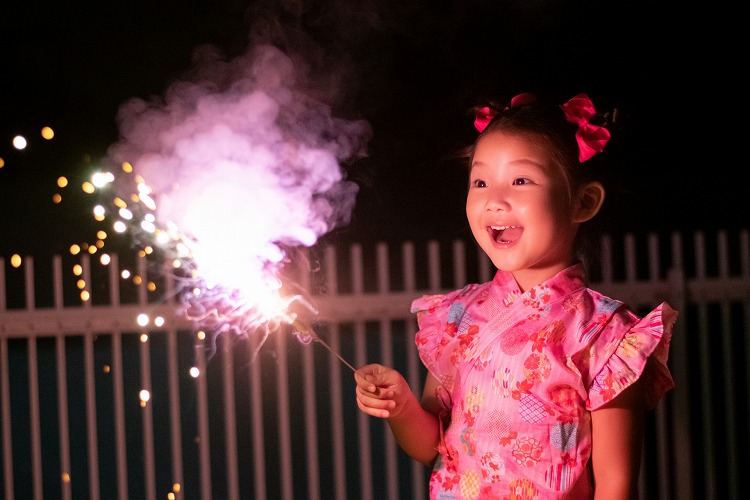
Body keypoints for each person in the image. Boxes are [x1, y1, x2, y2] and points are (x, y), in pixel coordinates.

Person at [353, 92, 677, 499]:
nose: (494, 199)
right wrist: (401, 407)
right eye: (481, 181)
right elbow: (431, 446)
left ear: (583, 202)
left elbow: (615, 483)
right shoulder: (456, 317)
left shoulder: (603, 333)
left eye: (521, 180)